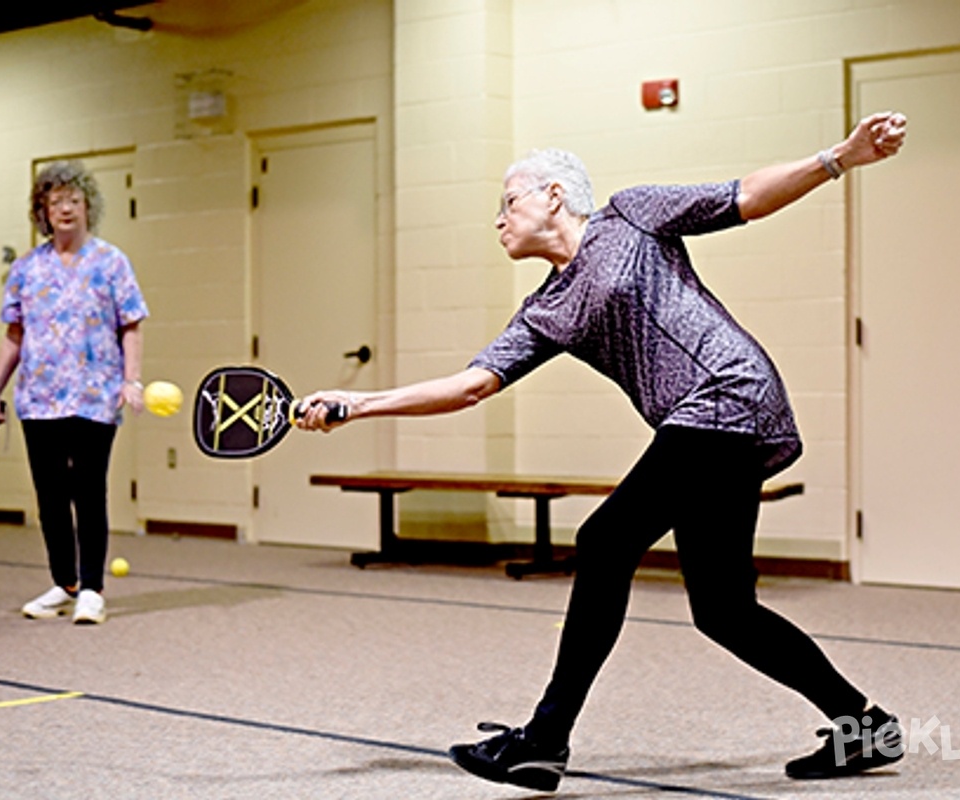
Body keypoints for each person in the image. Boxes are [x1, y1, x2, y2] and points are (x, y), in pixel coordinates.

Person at [297, 112, 908, 789]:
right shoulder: (546, 309)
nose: (498, 221)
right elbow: (470, 387)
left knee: (604, 540)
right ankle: (866, 726)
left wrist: (841, 157)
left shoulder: (631, 216)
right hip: (706, 427)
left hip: (728, 395)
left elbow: (746, 196)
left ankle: (544, 740)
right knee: (724, 611)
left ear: (554, 194)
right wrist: (357, 404)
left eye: (508, 202)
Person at [0, 160, 148, 625]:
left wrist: (131, 379)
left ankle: (92, 589)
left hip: (95, 396)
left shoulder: (111, 261)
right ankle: (65, 582)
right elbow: (14, 336)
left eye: (73, 200)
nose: (64, 208)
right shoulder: (26, 269)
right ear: (42, 210)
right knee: (50, 495)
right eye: (55, 201)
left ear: (87, 207)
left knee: (88, 490)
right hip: (39, 398)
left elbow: (132, 326)